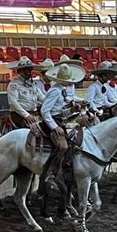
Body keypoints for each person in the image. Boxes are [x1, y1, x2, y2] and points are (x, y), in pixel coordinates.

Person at [39, 63, 86, 192]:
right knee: (63, 146)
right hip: (51, 122)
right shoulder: (55, 91)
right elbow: (45, 111)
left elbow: (60, 112)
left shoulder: (62, 90)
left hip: (59, 120)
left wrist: (72, 109)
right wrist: (54, 127)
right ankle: (50, 174)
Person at [7, 56, 45, 128]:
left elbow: (41, 97)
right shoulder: (14, 84)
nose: (29, 72)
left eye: (30, 69)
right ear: (20, 71)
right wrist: (26, 115)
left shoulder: (32, 84)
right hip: (18, 114)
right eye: (26, 70)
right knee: (33, 130)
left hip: (33, 113)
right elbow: (13, 102)